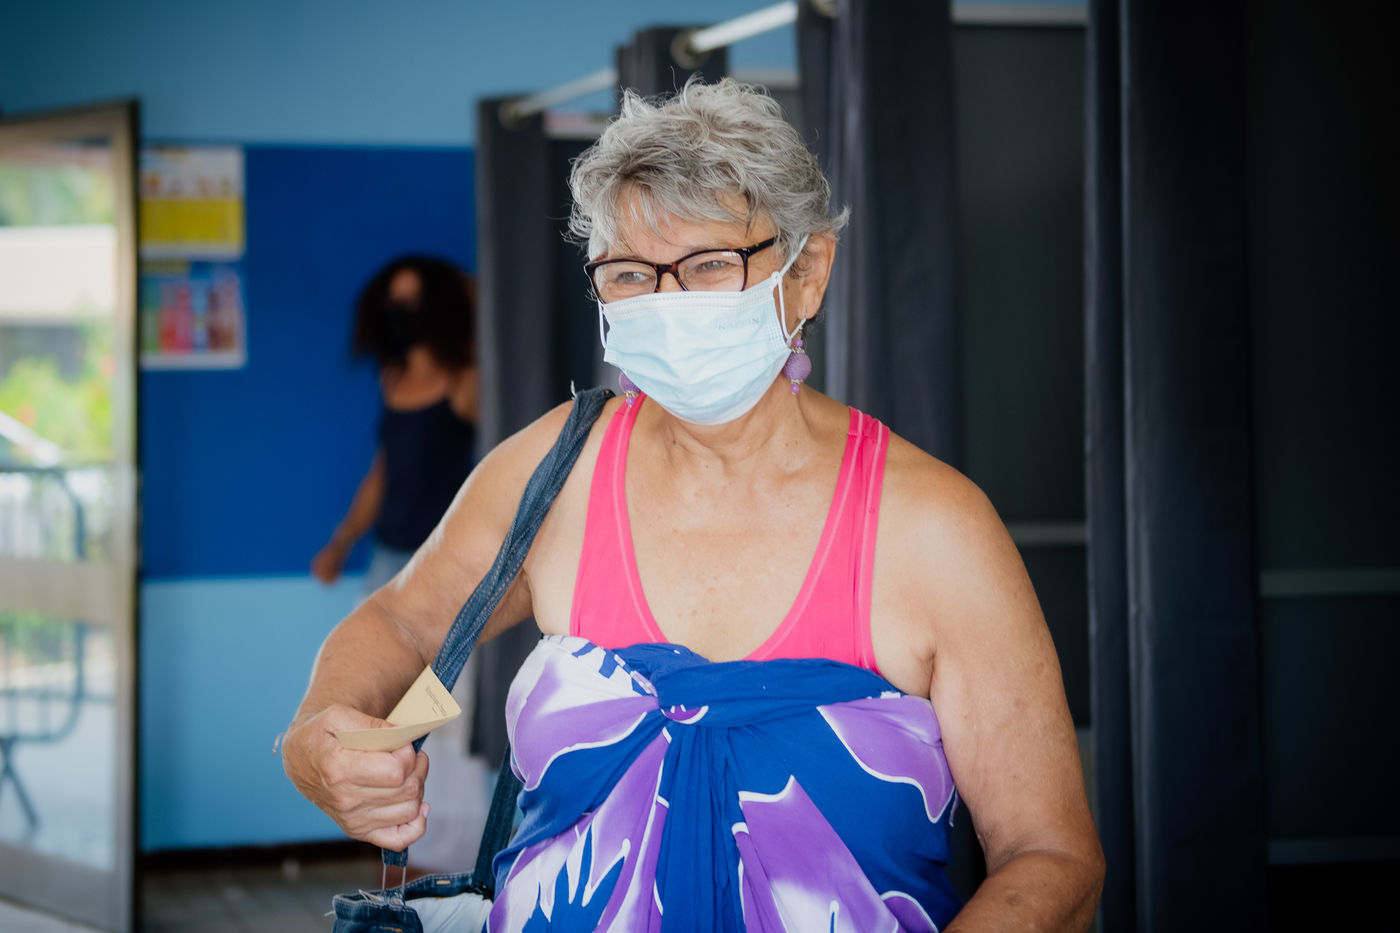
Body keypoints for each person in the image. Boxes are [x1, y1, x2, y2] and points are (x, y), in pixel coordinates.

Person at [283, 78, 1103, 931]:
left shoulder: (933, 529)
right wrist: (315, 736)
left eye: (711, 264)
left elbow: (1051, 854)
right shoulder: (556, 472)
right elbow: (405, 620)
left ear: (808, 273)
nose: (668, 304)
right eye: (632, 273)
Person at [309, 253, 489, 873]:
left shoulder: (468, 377)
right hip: (388, 561)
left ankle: (455, 854)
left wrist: (465, 288)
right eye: (395, 302)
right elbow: (383, 475)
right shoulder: (392, 376)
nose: (403, 313)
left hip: (448, 566)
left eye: (414, 300)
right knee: (386, 712)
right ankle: (402, 848)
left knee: (448, 710)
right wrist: (341, 541)